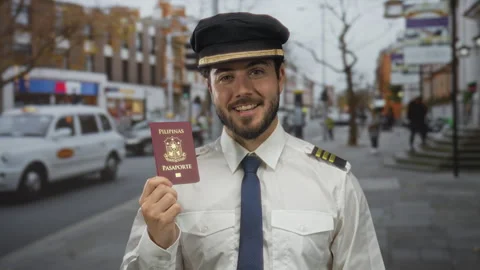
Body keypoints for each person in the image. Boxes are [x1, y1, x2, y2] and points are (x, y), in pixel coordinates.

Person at [121, 12, 385, 270]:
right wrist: (157, 242)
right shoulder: (176, 184)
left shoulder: (335, 182)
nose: (242, 91)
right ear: (210, 88)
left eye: (257, 72)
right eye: (225, 77)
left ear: (280, 77)